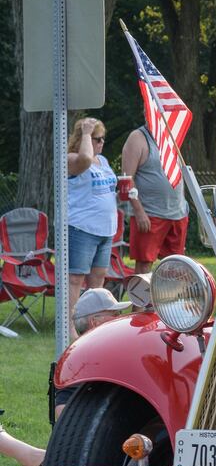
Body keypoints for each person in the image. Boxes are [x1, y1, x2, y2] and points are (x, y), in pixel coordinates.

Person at [66, 116, 119, 334]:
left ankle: (93, 324)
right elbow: (85, 159)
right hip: (82, 228)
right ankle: (69, 325)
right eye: (97, 139)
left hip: (105, 229)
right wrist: (86, 132)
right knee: (75, 278)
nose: (101, 143)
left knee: (98, 279)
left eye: (102, 139)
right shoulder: (71, 158)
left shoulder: (103, 161)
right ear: (83, 138)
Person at [118, 123, 190, 272]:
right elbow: (126, 179)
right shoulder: (137, 138)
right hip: (149, 213)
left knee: (177, 265)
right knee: (144, 264)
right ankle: (140, 296)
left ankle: (172, 296)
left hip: (177, 213)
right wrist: (139, 212)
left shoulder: (172, 135)